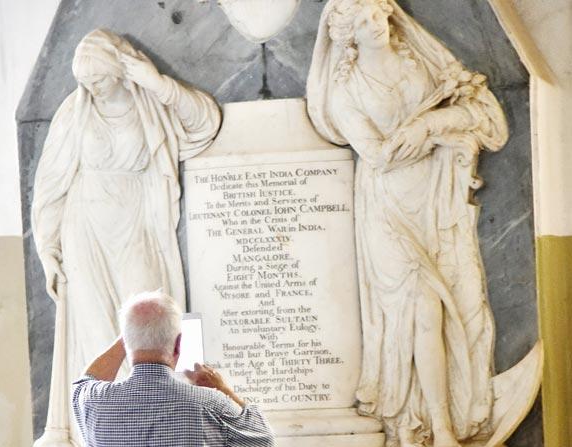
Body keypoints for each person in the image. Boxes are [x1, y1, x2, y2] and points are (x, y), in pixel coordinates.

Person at [307, 1, 508, 446]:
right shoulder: (346, 92)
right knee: (423, 308)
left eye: (378, 13)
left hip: (437, 204)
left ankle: (449, 415)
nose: (375, 24)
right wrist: (433, 133)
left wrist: (431, 123)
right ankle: (438, 427)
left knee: (460, 301)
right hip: (388, 211)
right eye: (362, 21)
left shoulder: (422, 62)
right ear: (348, 36)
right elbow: (379, 156)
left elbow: (480, 114)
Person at [31, 29, 221, 441]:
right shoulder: (75, 110)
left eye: (98, 79)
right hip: (86, 228)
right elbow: (50, 182)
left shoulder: (149, 102)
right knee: (98, 328)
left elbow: (205, 121)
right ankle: (103, 430)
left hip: (137, 221)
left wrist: (156, 81)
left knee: (153, 318)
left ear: (120, 71)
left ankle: (167, 422)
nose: (91, 88)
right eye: (85, 81)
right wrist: (48, 249)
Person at [72, 290, 275, 446]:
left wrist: (133, 333)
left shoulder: (94, 401)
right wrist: (223, 388)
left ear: (127, 341)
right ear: (180, 344)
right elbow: (263, 440)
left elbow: (86, 379)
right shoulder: (211, 404)